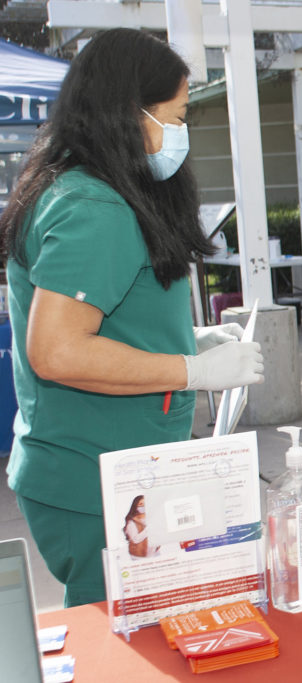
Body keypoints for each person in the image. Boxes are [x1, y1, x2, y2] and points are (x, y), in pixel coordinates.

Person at [0, 29, 264, 607]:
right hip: (94, 480)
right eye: (177, 115)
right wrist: (191, 372)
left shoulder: (74, 186)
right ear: (126, 113)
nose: (181, 132)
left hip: (101, 468)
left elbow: (106, 322)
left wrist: (189, 342)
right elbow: (58, 351)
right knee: (123, 640)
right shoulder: (94, 207)